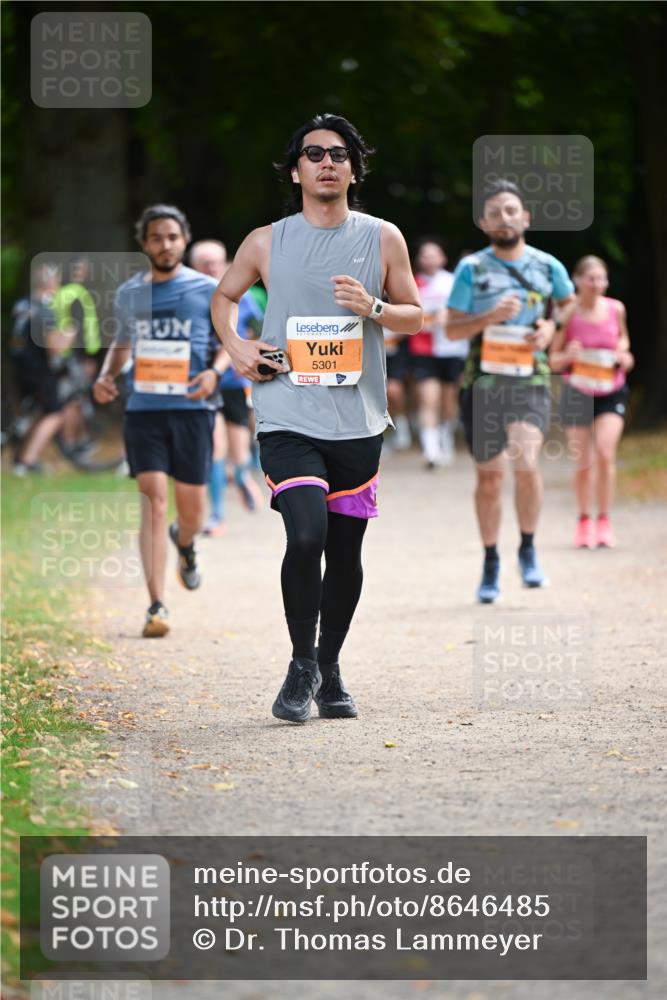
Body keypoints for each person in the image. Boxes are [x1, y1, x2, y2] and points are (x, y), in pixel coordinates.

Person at [211, 112, 422, 722]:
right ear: (296, 168)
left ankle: (329, 668)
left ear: (354, 169)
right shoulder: (265, 240)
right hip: (286, 413)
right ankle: (302, 662)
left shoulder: (382, 237)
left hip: (357, 421)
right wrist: (238, 346)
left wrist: (375, 306)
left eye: (339, 153)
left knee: (346, 551)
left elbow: (416, 315)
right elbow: (224, 298)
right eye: (314, 153)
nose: (326, 162)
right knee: (305, 535)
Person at [93, 205, 226, 637]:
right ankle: (156, 606)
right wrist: (106, 376)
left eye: (172, 236)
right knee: (151, 500)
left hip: (192, 410)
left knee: (193, 513)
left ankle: (184, 543)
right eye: (156, 237)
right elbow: (122, 342)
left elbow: (233, 342)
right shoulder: (131, 293)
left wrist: (214, 372)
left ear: (183, 239)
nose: (164, 245)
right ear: (144, 243)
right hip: (144, 411)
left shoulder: (209, 288)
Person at [445, 180, 575, 603]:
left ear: (526, 217)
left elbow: (568, 303)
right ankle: (490, 560)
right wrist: (489, 316)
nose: (505, 218)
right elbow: (451, 327)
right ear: (484, 223)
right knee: (489, 478)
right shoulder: (472, 270)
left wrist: (551, 325)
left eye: (511, 210)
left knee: (525, 459)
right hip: (481, 384)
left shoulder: (547, 265)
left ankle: (527, 547)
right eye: (496, 213)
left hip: (530, 380)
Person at [549, 255, 634, 548]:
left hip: (611, 390)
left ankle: (605, 521)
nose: (598, 284)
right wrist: (567, 356)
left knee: (605, 453)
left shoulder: (616, 309)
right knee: (583, 461)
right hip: (577, 392)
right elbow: (553, 360)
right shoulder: (568, 313)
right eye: (592, 278)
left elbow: (625, 347)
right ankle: (584, 521)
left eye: (602, 278)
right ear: (577, 280)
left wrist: (623, 356)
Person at [190, 239, 263, 535]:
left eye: (215, 261)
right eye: (204, 262)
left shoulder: (243, 298)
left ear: (224, 264)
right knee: (214, 447)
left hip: (235, 381)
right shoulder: (187, 298)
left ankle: (243, 475)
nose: (210, 267)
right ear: (193, 266)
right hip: (202, 381)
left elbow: (260, 332)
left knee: (239, 448)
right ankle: (217, 515)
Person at [10, 263, 79, 474]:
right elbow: (54, 348)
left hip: (18, 366)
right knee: (54, 413)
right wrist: (69, 335)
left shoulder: (22, 304)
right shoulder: (46, 310)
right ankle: (27, 462)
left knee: (37, 412)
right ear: (52, 283)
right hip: (39, 369)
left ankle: (20, 456)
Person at [410, 238, 467, 467]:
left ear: (442, 258)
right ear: (419, 259)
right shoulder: (412, 283)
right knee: (428, 399)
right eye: (425, 254)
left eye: (434, 254)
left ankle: (446, 439)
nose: (430, 259)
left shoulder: (453, 282)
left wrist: (449, 316)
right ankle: (431, 451)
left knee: (448, 401)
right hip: (424, 349)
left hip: (452, 349)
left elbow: (468, 312)